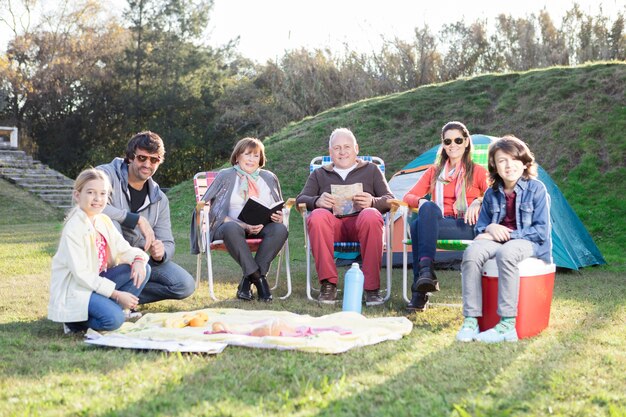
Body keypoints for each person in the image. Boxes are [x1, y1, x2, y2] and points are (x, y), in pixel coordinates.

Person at [456, 135, 552, 343]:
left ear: (524, 162)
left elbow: (541, 231)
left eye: (514, 159)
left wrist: (508, 235)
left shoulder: (537, 189)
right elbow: (481, 227)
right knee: (472, 253)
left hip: (528, 241)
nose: (509, 166)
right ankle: (471, 320)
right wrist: (490, 226)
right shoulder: (491, 194)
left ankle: (507, 325)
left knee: (506, 253)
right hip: (496, 239)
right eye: (502, 160)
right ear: (494, 165)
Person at [296, 128, 393, 306]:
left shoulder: (371, 170)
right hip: (333, 227)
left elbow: (390, 200)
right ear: (330, 152)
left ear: (356, 148)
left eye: (347, 147)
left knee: (371, 215)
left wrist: (372, 201)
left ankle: (371, 289)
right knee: (317, 216)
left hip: (362, 225)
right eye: (337, 148)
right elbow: (300, 200)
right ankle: (328, 284)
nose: (342, 152)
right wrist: (317, 201)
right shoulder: (320, 173)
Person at [97, 131, 195, 305]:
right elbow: (90, 205)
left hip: (141, 259)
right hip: (110, 260)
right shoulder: (105, 175)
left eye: (154, 160)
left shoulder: (160, 199)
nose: (147, 164)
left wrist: (161, 253)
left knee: (184, 284)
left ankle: (121, 296)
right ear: (130, 157)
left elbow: (168, 241)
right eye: (142, 158)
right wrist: (135, 219)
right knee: (109, 221)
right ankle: (107, 292)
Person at [48, 168, 150, 333]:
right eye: (90, 192)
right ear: (77, 195)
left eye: (103, 194)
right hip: (78, 288)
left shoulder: (103, 220)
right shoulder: (74, 228)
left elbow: (125, 250)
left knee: (143, 267)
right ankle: (74, 322)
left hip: (97, 283)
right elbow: (82, 275)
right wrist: (116, 294)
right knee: (114, 320)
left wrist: (138, 260)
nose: (97, 199)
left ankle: (112, 308)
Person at [402, 121, 489, 312]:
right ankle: (426, 274)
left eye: (458, 140)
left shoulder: (478, 172)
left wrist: (479, 200)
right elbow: (408, 196)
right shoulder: (434, 172)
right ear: (443, 144)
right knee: (427, 209)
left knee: (417, 227)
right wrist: (421, 202)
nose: (453, 145)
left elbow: (496, 195)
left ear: (466, 142)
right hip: (438, 224)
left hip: (466, 225)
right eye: (447, 141)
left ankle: (421, 289)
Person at [190, 137, 288, 301]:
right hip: (230, 228)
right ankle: (260, 280)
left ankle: (247, 280)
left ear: (261, 159)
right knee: (232, 228)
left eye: (255, 155)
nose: (251, 159)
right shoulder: (226, 176)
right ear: (237, 157)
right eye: (247, 154)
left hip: (261, 228)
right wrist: (244, 225)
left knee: (280, 229)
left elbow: (278, 207)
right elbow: (212, 210)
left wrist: (277, 217)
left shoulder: (269, 178)